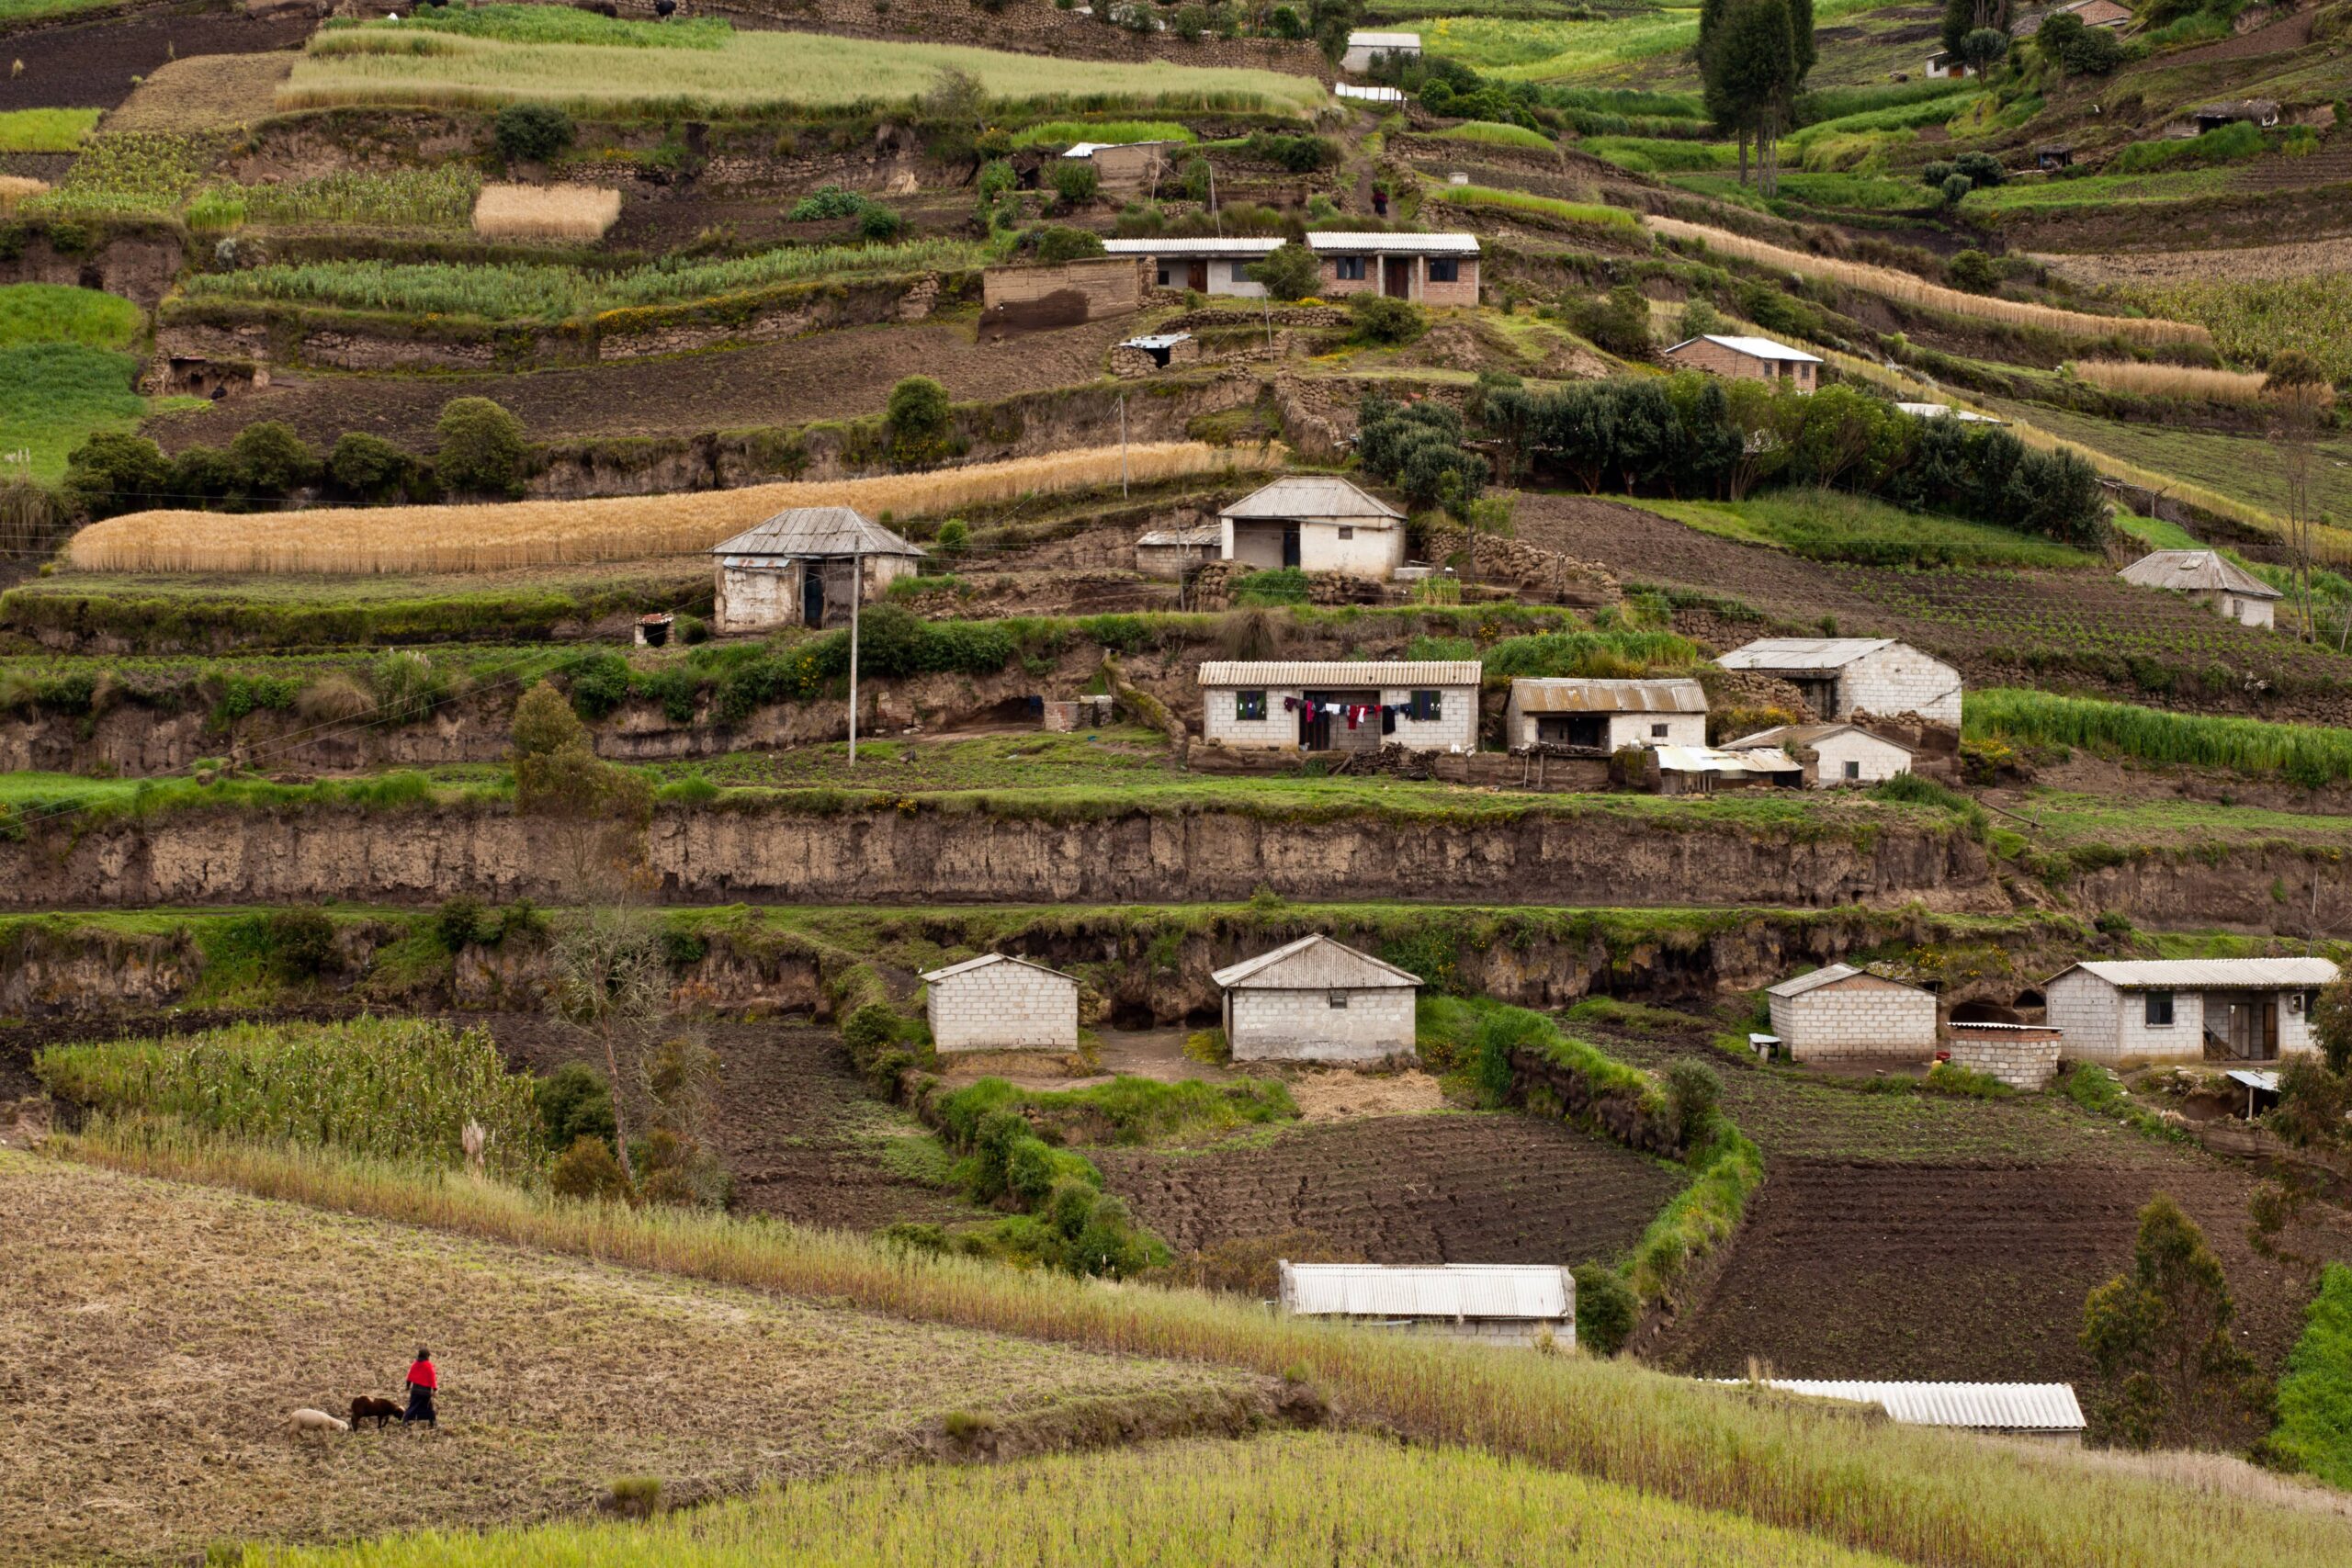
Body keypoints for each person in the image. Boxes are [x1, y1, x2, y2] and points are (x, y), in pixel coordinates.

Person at [403, 1347, 438, 1428]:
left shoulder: (415, 1364)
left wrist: (408, 1386)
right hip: (425, 1392)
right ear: (427, 1356)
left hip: (415, 1390)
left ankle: (405, 1420)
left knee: (413, 1406)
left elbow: (410, 1376)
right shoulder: (429, 1365)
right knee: (428, 1407)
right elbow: (432, 1377)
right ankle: (433, 1422)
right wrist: (434, 1389)